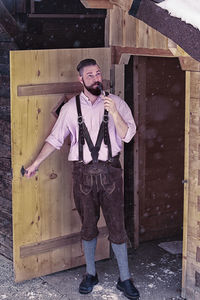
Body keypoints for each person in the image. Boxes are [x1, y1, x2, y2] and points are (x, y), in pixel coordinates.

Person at [25, 58, 140, 300]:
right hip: (83, 175)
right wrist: (35, 163)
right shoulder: (70, 109)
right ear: (81, 80)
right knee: (88, 227)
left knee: (117, 227)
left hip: (111, 173)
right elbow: (55, 140)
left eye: (98, 74)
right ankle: (91, 274)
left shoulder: (117, 103)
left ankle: (125, 279)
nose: (97, 78)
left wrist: (114, 112)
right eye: (90, 75)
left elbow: (128, 136)